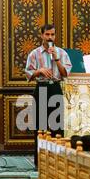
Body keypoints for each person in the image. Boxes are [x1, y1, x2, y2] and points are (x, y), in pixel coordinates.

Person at [25, 23, 72, 167]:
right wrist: (39, 71)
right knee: (40, 127)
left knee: (57, 126)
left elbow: (65, 74)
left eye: (52, 34)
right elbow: (28, 74)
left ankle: (59, 163)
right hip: (41, 89)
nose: (50, 37)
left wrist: (56, 59)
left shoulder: (62, 53)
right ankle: (40, 163)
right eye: (47, 34)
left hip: (55, 88)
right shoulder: (34, 54)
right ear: (41, 35)